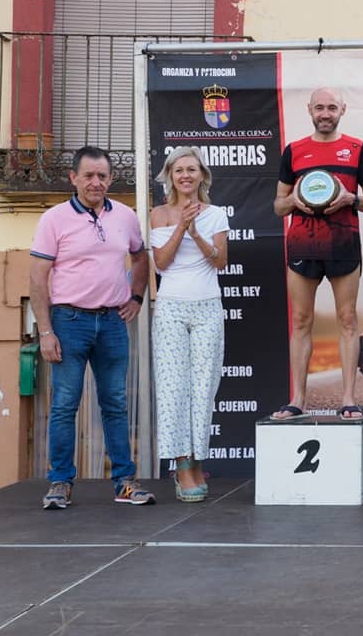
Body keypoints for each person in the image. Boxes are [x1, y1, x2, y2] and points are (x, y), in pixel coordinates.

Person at [30, 146, 154, 509]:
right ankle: (60, 482)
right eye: (88, 176)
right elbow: (37, 277)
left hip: (112, 321)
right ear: (74, 178)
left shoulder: (126, 216)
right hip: (68, 321)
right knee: (65, 405)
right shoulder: (54, 219)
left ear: (111, 179)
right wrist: (46, 331)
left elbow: (140, 257)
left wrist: (136, 297)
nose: (95, 182)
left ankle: (124, 482)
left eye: (102, 176)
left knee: (115, 403)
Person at [270, 88, 363, 421]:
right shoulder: (294, 151)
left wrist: (351, 199)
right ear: (310, 110)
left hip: (343, 244)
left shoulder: (356, 149)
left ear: (342, 110)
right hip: (303, 245)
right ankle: (298, 400)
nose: (325, 113)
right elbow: (278, 205)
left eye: (332, 107)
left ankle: (348, 399)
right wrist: (293, 201)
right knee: (302, 321)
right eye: (320, 107)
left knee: (347, 319)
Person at [150, 146, 229, 502]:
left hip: (208, 306)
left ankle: (197, 461)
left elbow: (221, 262)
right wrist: (180, 226)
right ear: (170, 175)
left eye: (191, 169)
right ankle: (181, 465)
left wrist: (196, 233)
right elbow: (162, 263)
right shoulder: (158, 214)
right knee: (173, 389)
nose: (185, 175)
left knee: (203, 388)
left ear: (202, 176)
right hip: (171, 308)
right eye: (179, 169)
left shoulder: (216, 215)